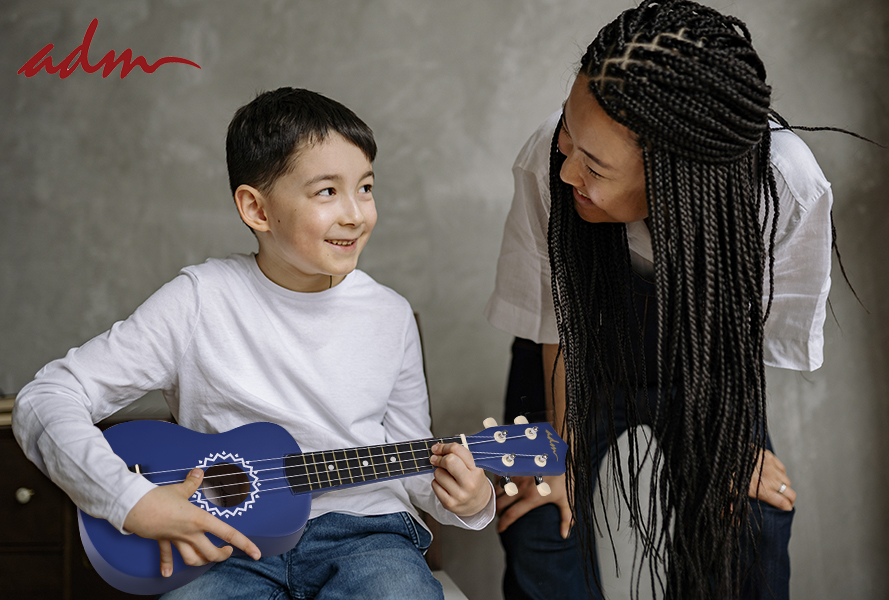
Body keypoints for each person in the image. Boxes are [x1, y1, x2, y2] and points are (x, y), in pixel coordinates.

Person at [13, 87, 494, 600]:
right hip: (226, 542)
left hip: (365, 534)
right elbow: (46, 398)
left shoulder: (389, 316)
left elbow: (411, 458)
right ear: (256, 209)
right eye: (327, 192)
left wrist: (467, 499)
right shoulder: (199, 300)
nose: (356, 214)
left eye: (366, 187)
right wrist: (129, 499)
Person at [485, 1, 831, 599]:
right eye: (570, 130)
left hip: (708, 368)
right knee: (538, 517)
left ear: (673, 176)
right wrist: (557, 454)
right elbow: (552, 320)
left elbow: (763, 333)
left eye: (594, 165)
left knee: (752, 517)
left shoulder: (784, 187)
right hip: (569, 358)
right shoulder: (552, 158)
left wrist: (736, 447)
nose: (568, 170)